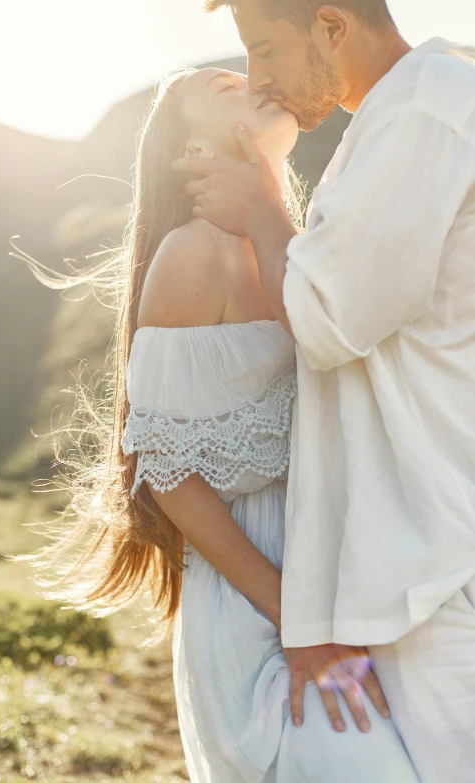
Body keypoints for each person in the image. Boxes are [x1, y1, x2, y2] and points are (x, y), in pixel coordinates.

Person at [21, 67, 420, 781]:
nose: (258, 80)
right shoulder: (193, 253)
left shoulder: (296, 247)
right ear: (190, 152)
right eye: (224, 87)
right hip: (257, 601)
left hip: (340, 582)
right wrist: (296, 618)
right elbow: (166, 472)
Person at [173, 1, 475, 781]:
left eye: (266, 49)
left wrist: (263, 209)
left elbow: (328, 316)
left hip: (436, 565)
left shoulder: (427, 110)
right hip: (406, 566)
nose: (258, 77)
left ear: (332, 26)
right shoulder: (385, 123)